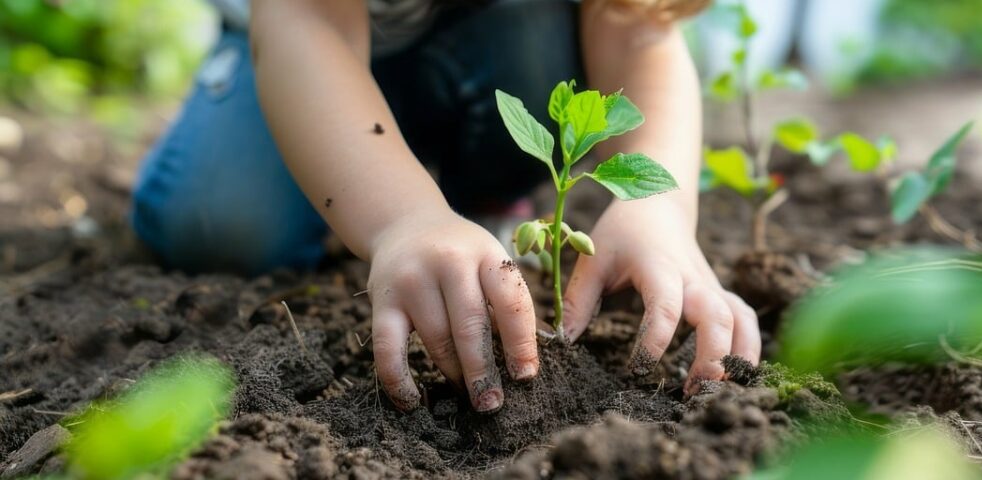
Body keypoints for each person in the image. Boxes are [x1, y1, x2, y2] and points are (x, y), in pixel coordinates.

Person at [130, 0, 761, 414]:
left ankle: (469, 205)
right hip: (299, 41)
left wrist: (661, 211)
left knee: (531, 38)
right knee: (218, 223)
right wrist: (397, 221)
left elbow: (636, 20)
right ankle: (389, 197)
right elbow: (305, 19)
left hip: (496, 42)